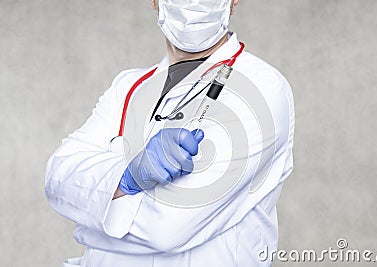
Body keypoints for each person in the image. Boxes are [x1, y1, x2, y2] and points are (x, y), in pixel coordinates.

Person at [45, 0, 295, 266]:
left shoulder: (260, 89)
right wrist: (128, 176)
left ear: (233, 1)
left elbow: (166, 228)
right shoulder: (127, 86)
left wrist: (89, 218)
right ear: (154, 1)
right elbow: (56, 178)